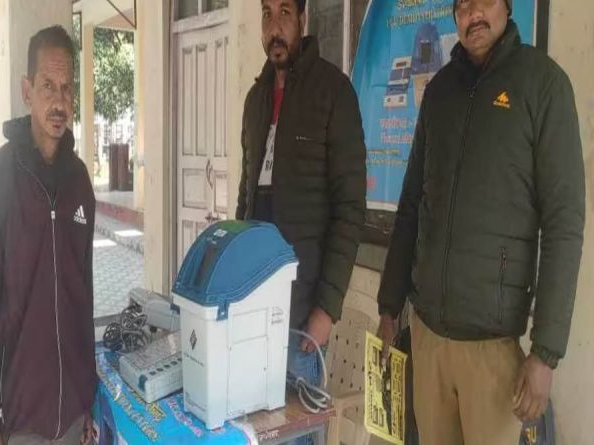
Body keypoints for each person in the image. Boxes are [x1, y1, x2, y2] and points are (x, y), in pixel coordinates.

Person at [377, 0, 585, 443]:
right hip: (429, 340)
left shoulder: (543, 85)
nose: (474, 14)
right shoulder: (439, 92)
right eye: (463, 5)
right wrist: (389, 307)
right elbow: (411, 204)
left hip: (493, 351)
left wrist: (545, 353)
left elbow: (564, 223)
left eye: (484, 1)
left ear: (507, 7)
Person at [0, 25, 96, 445]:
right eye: (47, 86)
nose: (59, 101)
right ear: (26, 91)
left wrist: (87, 399)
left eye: (67, 88)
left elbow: (84, 296)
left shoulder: (80, 182)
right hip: (18, 420)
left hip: (73, 416)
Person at [237, 0, 366, 382]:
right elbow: (246, 198)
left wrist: (327, 308)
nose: (274, 27)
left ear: (303, 20)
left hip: (303, 315)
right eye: (267, 14)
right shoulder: (255, 100)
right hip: (253, 306)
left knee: (297, 420)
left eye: (285, 13)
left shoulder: (333, 92)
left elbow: (350, 208)